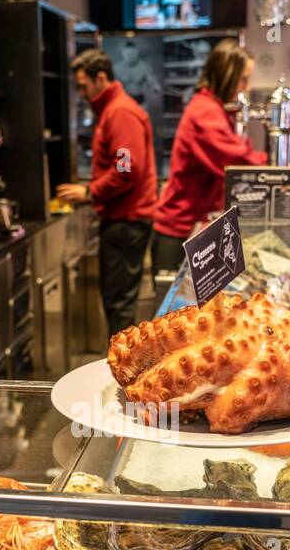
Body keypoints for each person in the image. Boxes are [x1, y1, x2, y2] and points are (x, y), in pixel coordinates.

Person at [55, 49, 158, 334]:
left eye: (83, 86)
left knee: (119, 307)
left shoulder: (120, 112)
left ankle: (120, 362)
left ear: (100, 78)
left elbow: (126, 168)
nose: (81, 94)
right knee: (118, 303)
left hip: (126, 222)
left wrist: (90, 191)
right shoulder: (113, 110)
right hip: (125, 220)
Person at [151, 38, 268, 272]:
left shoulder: (213, 109)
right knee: (176, 297)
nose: (245, 87)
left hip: (194, 227)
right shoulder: (205, 112)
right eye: (243, 79)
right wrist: (280, 170)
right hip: (180, 231)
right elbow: (236, 160)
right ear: (227, 75)